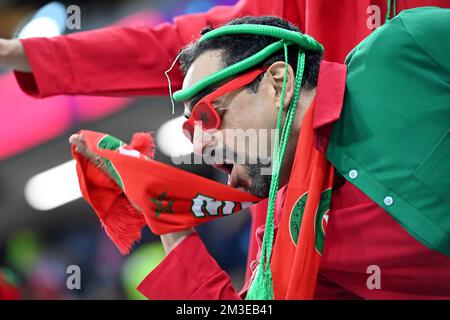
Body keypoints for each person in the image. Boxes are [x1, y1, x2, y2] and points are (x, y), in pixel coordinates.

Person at [1, 0, 449, 299]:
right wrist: (166, 218)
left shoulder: (407, 47)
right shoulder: (291, 245)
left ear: (277, 82)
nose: (208, 148)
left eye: (208, 118)